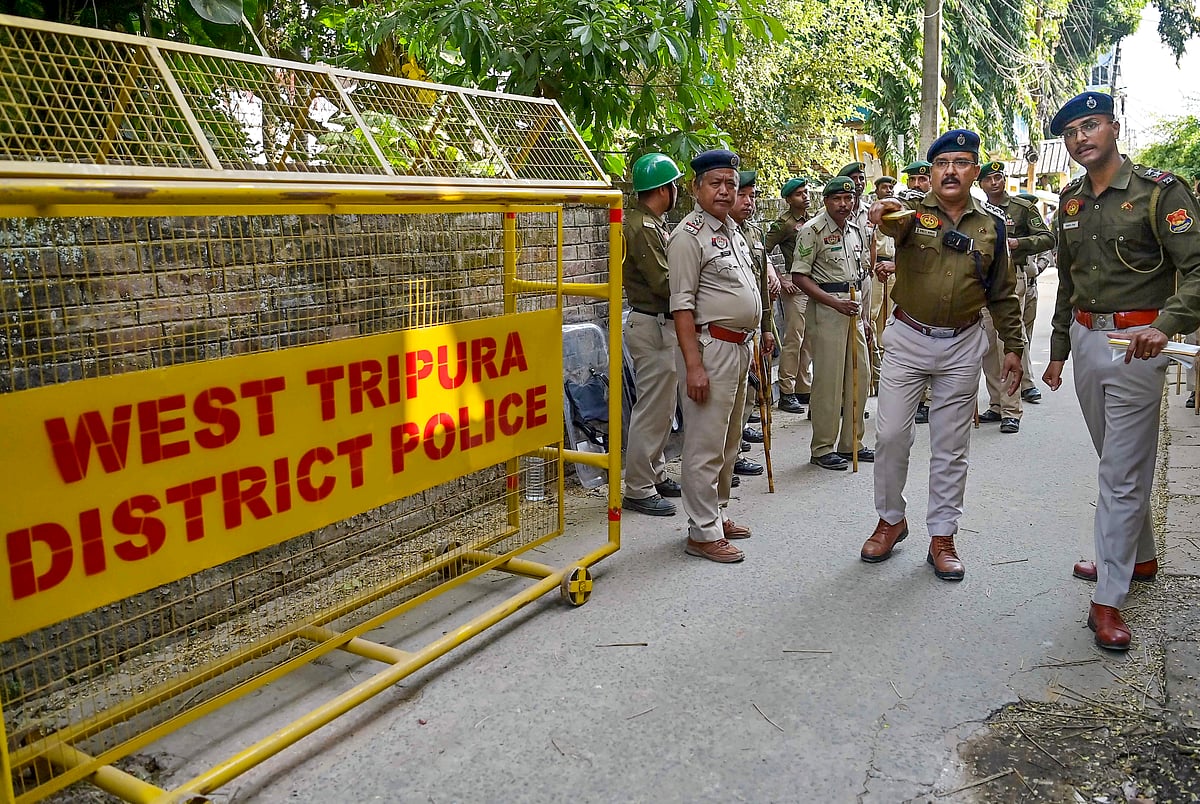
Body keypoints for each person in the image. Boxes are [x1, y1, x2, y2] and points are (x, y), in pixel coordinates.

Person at [1042, 92, 1200, 650]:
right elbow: (1068, 278)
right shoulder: (1071, 202)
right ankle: (1143, 557)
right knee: (1118, 459)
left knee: (1120, 473)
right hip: (1087, 338)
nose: (1081, 138)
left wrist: (1169, 323)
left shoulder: (1160, 192)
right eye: (1070, 132)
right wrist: (1059, 349)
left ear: (1113, 126)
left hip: (1138, 343)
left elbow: (1197, 268)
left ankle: (1108, 597)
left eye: (1090, 126)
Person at [860, 129, 1024, 581]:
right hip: (909, 339)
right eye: (941, 163)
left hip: (962, 343)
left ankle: (943, 535)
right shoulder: (912, 215)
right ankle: (891, 520)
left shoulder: (992, 225)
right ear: (931, 172)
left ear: (975, 171)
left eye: (961, 162)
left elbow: (1003, 293)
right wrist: (879, 210)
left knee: (952, 447)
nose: (950, 170)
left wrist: (1015, 347)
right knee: (891, 435)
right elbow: (889, 218)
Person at [669, 149, 765, 563]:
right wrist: (693, 366)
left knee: (729, 441)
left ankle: (717, 512)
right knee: (705, 442)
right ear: (696, 188)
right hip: (711, 349)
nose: (725, 191)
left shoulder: (732, 231)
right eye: (716, 183)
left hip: (739, 347)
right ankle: (701, 531)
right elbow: (682, 306)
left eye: (730, 183)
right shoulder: (688, 236)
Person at [620, 153, 685, 517]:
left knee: (662, 408)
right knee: (652, 409)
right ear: (662, 189)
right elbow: (663, 282)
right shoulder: (642, 228)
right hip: (652, 323)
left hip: (658, 322)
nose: (675, 191)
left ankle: (654, 473)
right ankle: (639, 486)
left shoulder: (651, 223)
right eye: (673, 185)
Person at [792, 176, 872, 470]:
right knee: (828, 380)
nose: (844, 204)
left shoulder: (854, 230)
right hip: (828, 309)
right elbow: (800, 276)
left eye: (848, 199)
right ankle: (823, 447)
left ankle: (853, 442)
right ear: (826, 201)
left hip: (854, 309)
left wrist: (863, 314)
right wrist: (833, 302)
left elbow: (861, 272)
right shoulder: (812, 231)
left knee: (859, 376)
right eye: (837, 199)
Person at [975, 161, 1055, 433]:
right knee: (987, 344)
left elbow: (1047, 238)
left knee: (1006, 339)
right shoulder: (977, 211)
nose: (994, 183)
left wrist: (1018, 243)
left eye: (998, 177)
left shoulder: (1021, 208)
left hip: (1013, 276)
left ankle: (1011, 409)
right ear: (981, 183)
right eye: (989, 179)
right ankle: (996, 403)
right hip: (983, 280)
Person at [730, 169, 778, 479]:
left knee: (749, 393)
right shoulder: (723, 233)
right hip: (727, 332)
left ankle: (733, 451)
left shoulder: (754, 234)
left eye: (753, 196)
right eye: (743, 195)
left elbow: (761, 286)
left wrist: (767, 326)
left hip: (754, 327)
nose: (749, 202)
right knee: (730, 401)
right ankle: (729, 456)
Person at [767, 177, 814, 414]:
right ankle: (787, 391)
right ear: (788, 199)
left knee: (808, 340)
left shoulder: (812, 220)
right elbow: (763, 253)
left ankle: (803, 387)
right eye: (798, 194)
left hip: (811, 285)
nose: (805, 196)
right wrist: (781, 279)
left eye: (806, 192)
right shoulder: (783, 224)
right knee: (793, 338)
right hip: (794, 285)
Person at [900, 159, 934, 423]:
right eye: (912, 180)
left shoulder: (947, 207)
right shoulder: (906, 208)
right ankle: (920, 399)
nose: (916, 185)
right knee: (918, 347)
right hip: (914, 288)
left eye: (922, 180)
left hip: (944, 289)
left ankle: (935, 399)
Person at [1015, 190, 1054, 404]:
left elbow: (1045, 255)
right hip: (1017, 284)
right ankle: (1027, 384)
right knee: (1019, 336)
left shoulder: (1037, 235)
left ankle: (1022, 381)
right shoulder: (1013, 231)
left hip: (1032, 286)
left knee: (1026, 336)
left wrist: (1038, 269)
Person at [870, 176, 899, 389]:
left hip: (894, 267)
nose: (888, 190)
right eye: (884, 187)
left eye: (891, 187)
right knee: (871, 316)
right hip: (875, 268)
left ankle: (885, 373)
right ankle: (873, 374)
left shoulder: (899, 212)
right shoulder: (870, 213)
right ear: (876, 190)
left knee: (888, 321)